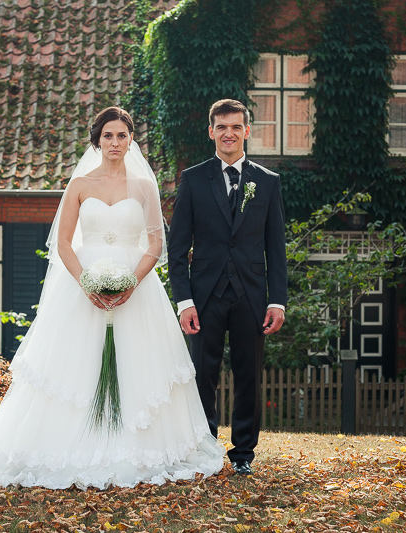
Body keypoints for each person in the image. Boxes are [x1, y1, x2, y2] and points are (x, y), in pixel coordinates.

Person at [0, 107, 225, 489]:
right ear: (97, 140)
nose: (115, 143)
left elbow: (155, 243)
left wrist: (133, 280)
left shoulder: (145, 188)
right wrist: (86, 283)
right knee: (75, 365)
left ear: (132, 140)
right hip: (84, 288)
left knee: (140, 363)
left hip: (138, 290)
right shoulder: (80, 184)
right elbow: (63, 244)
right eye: (108, 136)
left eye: (122, 135)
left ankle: (142, 446)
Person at [167, 99, 287, 476]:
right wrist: (184, 300)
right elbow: (177, 247)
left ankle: (243, 455)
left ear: (247, 131)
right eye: (221, 127)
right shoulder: (193, 179)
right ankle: (205, 449)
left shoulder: (267, 182)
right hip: (204, 296)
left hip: (251, 295)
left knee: (249, 375)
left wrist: (278, 302)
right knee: (203, 374)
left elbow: (275, 248)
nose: (229, 133)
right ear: (211, 132)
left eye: (236, 127)